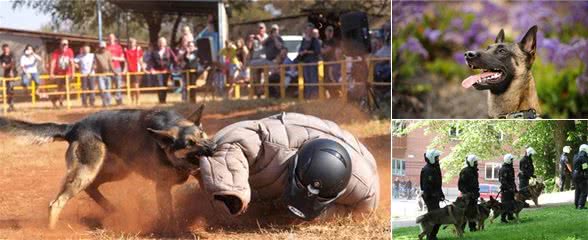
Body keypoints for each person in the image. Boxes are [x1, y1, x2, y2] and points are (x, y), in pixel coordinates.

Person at [192, 113, 378, 221]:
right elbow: (229, 141)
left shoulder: (364, 191)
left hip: (353, 152)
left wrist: (317, 214)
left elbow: (360, 213)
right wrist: (231, 191)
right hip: (289, 136)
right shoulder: (269, 143)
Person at [420, 149, 444, 240]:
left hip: (435, 197)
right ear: (431, 158)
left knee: (438, 218)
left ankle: (432, 235)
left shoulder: (435, 168)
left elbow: (438, 184)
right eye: (437, 157)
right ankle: (430, 236)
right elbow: (426, 186)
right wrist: (434, 195)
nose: (438, 159)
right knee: (436, 218)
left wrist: (441, 194)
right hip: (430, 198)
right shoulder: (427, 170)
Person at [147, 37, 177, 103]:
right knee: (160, 85)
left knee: (164, 84)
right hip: (157, 71)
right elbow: (150, 61)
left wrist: (173, 68)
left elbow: (174, 59)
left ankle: (164, 100)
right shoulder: (154, 51)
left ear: (165, 43)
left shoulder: (168, 50)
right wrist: (151, 69)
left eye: (163, 42)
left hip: (166, 71)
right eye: (160, 42)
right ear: (158, 43)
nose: (161, 44)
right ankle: (161, 100)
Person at [49, 39, 75, 109]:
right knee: (60, 89)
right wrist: (51, 73)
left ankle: (59, 100)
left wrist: (73, 73)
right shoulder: (56, 52)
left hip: (67, 73)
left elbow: (72, 63)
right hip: (59, 73)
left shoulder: (70, 51)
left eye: (66, 44)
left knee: (66, 88)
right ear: (60, 45)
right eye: (63, 44)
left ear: (67, 45)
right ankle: (55, 100)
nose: (64, 46)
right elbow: (53, 63)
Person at [298, 23, 321, 99]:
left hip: (312, 61)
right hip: (305, 62)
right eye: (307, 30)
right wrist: (302, 53)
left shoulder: (315, 40)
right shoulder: (304, 40)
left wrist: (307, 52)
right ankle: (307, 96)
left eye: (310, 30)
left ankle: (314, 96)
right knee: (307, 79)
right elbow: (300, 50)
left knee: (313, 79)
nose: (309, 31)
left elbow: (317, 51)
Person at [458, 154, 480, 232]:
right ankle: (461, 229)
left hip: (474, 196)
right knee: (465, 213)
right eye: (475, 162)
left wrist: (476, 193)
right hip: (467, 197)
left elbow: (475, 184)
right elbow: (461, 186)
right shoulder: (464, 171)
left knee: (473, 212)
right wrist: (467, 193)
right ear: (471, 162)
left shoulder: (474, 171)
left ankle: (473, 228)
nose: (476, 163)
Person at [94, 41, 115, 107]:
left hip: (108, 73)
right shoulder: (96, 54)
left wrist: (114, 71)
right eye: (101, 47)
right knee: (102, 88)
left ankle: (108, 102)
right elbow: (94, 63)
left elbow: (110, 63)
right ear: (99, 47)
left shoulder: (108, 53)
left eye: (104, 47)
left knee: (108, 89)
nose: (103, 48)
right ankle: (104, 101)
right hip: (100, 74)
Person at [106, 33, 125, 105]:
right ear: (108, 38)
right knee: (108, 85)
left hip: (117, 67)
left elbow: (122, 58)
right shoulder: (106, 47)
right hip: (108, 68)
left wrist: (114, 58)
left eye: (112, 37)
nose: (110, 39)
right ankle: (108, 101)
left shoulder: (118, 47)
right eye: (109, 37)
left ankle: (118, 100)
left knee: (118, 84)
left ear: (114, 38)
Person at [124, 38, 144, 105]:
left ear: (135, 43)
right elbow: (126, 61)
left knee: (136, 86)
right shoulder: (126, 51)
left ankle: (138, 100)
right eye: (130, 42)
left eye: (132, 42)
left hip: (136, 70)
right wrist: (125, 70)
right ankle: (132, 100)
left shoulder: (138, 50)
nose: (131, 43)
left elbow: (140, 60)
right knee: (131, 87)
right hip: (129, 71)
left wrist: (143, 68)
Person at [321, 26, 340, 98]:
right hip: (324, 62)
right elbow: (321, 51)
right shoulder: (324, 41)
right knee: (325, 79)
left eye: (331, 31)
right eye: (328, 31)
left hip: (332, 63)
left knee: (331, 78)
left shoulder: (333, 41)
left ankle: (335, 94)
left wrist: (323, 50)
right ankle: (330, 95)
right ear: (325, 32)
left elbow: (326, 50)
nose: (329, 33)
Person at [499, 153, 517, 223]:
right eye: (512, 160)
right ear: (508, 160)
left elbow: (512, 180)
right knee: (505, 205)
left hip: (511, 190)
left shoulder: (510, 168)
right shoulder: (503, 169)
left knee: (511, 203)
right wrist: (509, 187)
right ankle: (503, 219)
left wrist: (514, 189)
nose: (512, 161)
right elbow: (503, 181)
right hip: (505, 190)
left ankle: (510, 216)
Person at [0, 44, 16, 111]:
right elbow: (3, 66)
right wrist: (7, 66)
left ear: (9, 49)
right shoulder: (1, 57)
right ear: (2, 49)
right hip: (6, 74)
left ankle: (11, 105)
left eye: (7, 49)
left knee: (11, 89)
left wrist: (11, 70)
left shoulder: (12, 55)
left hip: (13, 73)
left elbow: (13, 64)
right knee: (8, 90)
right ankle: (10, 105)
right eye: (4, 49)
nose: (6, 50)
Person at [573, 144, 588, 209]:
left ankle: (577, 204)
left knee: (577, 190)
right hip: (581, 175)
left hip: (575, 174)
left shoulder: (575, 156)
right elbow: (585, 167)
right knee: (584, 191)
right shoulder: (583, 157)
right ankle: (581, 205)